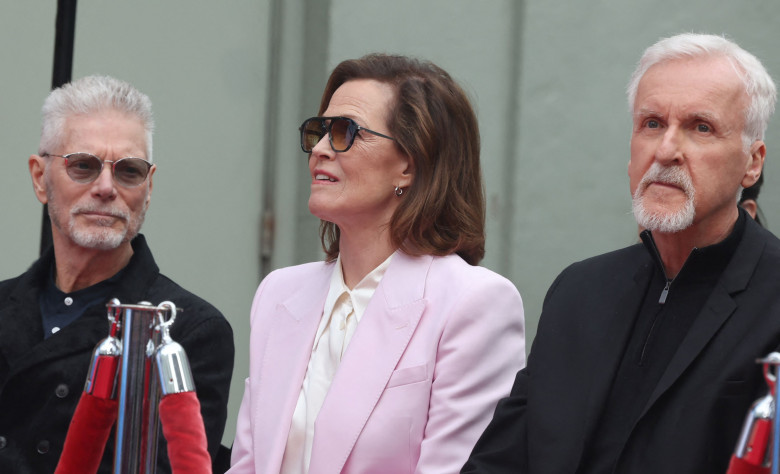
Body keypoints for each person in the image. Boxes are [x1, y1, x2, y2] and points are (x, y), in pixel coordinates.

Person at [462, 33, 779, 474]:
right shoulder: (579, 292)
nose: (666, 151)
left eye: (700, 127)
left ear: (753, 162)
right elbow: (500, 462)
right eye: (651, 123)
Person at [228, 54, 525, 474]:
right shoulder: (279, 293)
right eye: (319, 131)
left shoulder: (474, 303)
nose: (319, 149)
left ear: (409, 163)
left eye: (344, 132)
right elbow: (247, 463)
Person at [0, 75, 234, 473]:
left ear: (149, 186)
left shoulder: (189, 330)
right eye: (83, 166)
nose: (106, 187)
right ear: (40, 178)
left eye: (128, 171)